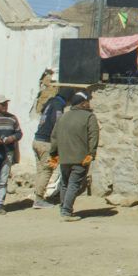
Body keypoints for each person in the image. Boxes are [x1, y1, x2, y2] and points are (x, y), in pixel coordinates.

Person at [48, 91, 99, 221]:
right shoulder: (89, 117)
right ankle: (66, 211)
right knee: (74, 184)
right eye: (87, 101)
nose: (89, 103)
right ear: (82, 103)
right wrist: (91, 153)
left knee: (65, 183)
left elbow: (54, 137)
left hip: (64, 157)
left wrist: (54, 154)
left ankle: (63, 208)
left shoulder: (63, 117)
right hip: (81, 158)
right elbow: (93, 136)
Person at [33, 87, 74, 208]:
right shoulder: (58, 106)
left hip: (37, 140)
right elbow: (58, 124)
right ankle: (39, 199)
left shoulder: (50, 102)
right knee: (47, 170)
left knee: (40, 171)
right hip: (46, 142)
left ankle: (37, 195)